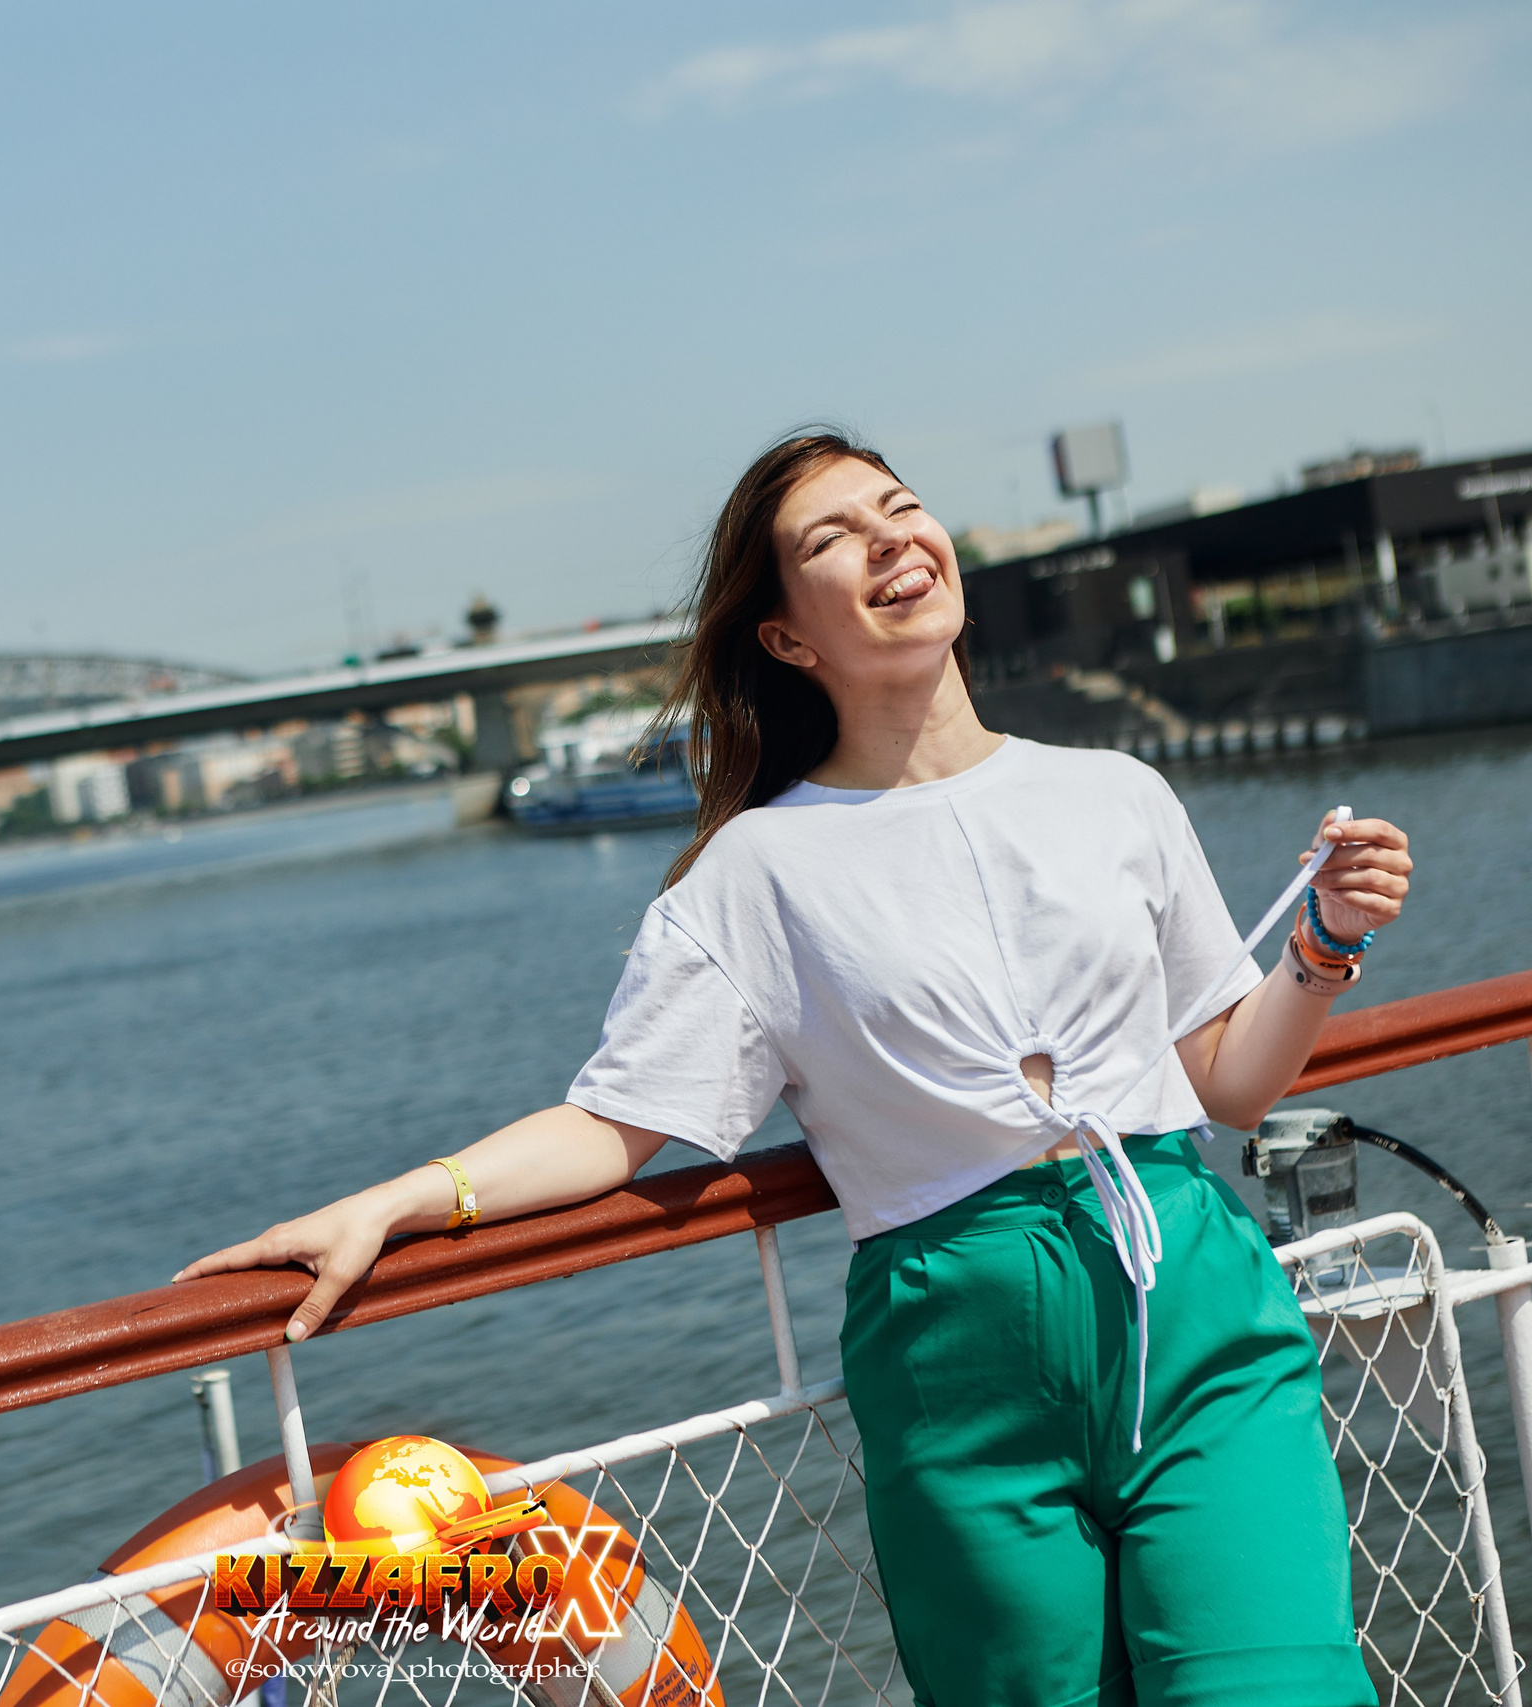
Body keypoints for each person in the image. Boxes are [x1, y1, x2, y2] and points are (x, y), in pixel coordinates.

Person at [176, 430, 1410, 1706]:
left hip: (1188, 1300)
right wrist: (399, 1200)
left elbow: (1226, 1083)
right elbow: (611, 1126)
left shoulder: (1115, 795)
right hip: (958, 1346)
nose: (889, 541)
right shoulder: (754, 877)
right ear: (783, 638)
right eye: (832, 539)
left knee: (1276, 1682)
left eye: (902, 509)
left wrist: (1320, 948)